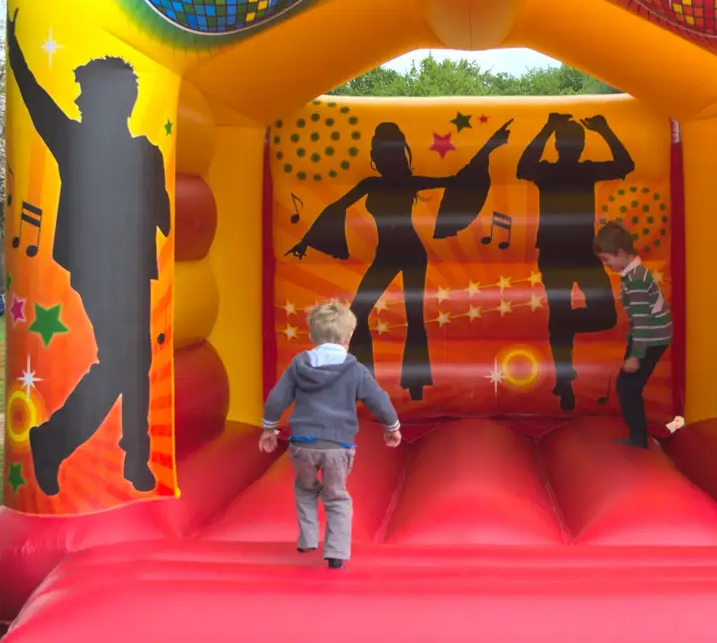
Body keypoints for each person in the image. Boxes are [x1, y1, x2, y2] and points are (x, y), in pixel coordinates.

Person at [8, 10, 171, 497]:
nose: (76, 99)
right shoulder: (78, 141)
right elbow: (38, 103)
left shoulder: (143, 152)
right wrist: (16, 55)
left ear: (110, 101)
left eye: (83, 92)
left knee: (130, 364)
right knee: (124, 363)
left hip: (132, 270)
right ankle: (70, 445)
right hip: (98, 272)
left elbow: (165, 216)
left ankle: (114, 455)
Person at [287, 121, 511, 400]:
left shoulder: (404, 182)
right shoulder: (374, 183)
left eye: (382, 152)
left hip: (411, 252)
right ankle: (365, 379)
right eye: (377, 152)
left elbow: (456, 179)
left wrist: (489, 148)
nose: (378, 157)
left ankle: (413, 386)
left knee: (412, 317)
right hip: (389, 253)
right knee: (358, 314)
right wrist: (306, 240)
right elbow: (337, 207)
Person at [259, 301, 402, 569]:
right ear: (348, 337)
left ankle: (309, 537)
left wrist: (268, 428)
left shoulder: (299, 365)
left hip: (302, 444)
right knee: (336, 496)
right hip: (338, 445)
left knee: (305, 488)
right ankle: (336, 552)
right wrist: (391, 426)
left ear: (312, 336)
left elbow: (278, 398)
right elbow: (378, 400)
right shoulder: (354, 370)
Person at [518, 113, 635, 410]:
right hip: (569, 253)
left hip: (571, 253)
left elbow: (523, 164)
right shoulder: (576, 171)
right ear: (581, 146)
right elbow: (625, 164)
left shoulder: (555, 171)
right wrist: (605, 130)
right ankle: (563, 380)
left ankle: (563, 341)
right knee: (584, 314)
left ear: (557, 145)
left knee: (570, 315)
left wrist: (547, 127)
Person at [593, 222, 673, 449]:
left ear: (621, 253)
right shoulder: (633, 272)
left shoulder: (636, 279)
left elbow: (642, 320)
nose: (605, 265)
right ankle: (637, 437)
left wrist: (636, 355)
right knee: (628, 387)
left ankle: (638, 439)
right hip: (651, 335)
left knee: (627, 388)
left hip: (651, 338)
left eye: (606, 259)